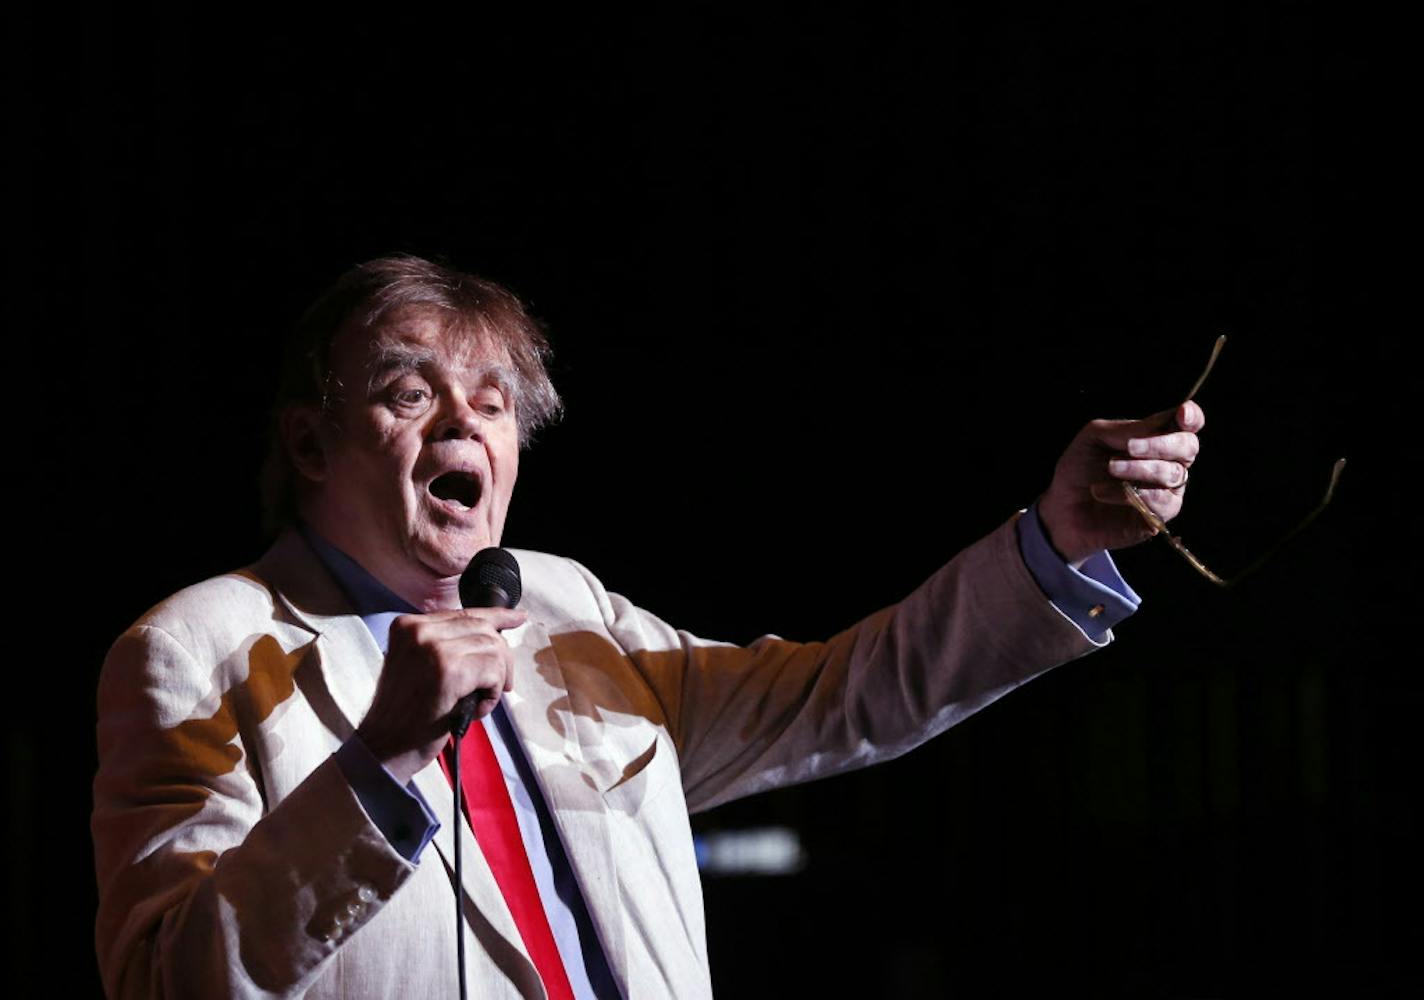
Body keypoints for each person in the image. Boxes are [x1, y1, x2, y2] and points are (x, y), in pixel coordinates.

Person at [91, 255, 1204, 999]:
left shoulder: (568, 612)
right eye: (407, 393)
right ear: (307, 444)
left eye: (489, 401)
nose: (461, 424)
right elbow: (168, 979)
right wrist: (380, 762)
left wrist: (1056, 545)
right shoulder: (199, 645)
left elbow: (847, 698)